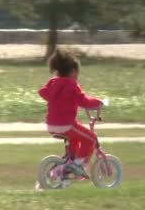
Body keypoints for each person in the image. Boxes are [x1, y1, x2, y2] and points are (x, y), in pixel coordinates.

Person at [38, 48, 103, 178]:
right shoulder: (72, 85)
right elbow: (84, 102)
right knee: (92, 139)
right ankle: (77, 165)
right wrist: (99, 102)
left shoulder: (52, 84)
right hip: (67, 125)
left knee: (76, 141)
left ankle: (66, 167)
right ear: (73, 71)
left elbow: (46, 94)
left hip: (51, 125)